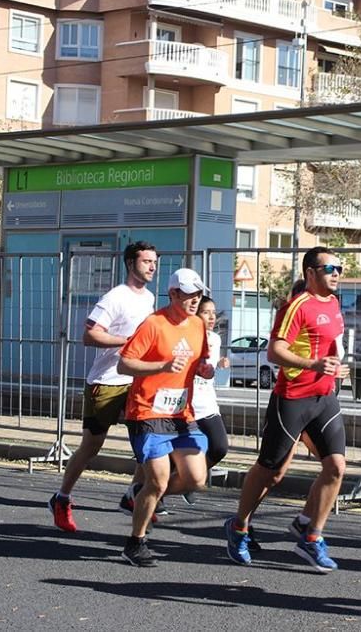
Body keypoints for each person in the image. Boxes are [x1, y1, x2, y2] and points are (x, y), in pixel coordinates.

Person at [225, 246, 347, 572]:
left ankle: (311, 537)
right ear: (311, 273)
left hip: (325, 398)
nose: (337, 273)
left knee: (336, 467)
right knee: (272, 470)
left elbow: (330, 346)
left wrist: (335, 368)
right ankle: (238, 527)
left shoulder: (334, 303)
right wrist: (314, 364)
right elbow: (274, 352)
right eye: (330, 268)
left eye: (340, 267)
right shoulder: (298, 306)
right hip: (292, 398)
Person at [48, 242, 158, 533]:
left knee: (148, 443)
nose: (152, 267)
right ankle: (61, 498)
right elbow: (90, 335)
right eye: (146, 261)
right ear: (130, 264)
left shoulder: (149, 297)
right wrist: (128, 341)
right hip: (107, 381)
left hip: (135, 381)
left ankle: (133, 495)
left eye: (154, 262)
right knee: (91, 446)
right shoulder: (115, 297)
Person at [117, 268, 213, 567]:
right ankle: (136, 542)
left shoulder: (198, 325)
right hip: (147, 411)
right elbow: (124, 365)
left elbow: (198, 362)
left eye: (198, 294)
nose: (194, 300)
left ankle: (139, 495)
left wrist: (203, 370)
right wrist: (162, 366)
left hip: (181, 413)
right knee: (157, 481)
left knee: (196, 479)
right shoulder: (153, 324)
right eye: (188, 294)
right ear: (173, 294)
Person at [186, 295, 231, 504]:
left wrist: (220, 363)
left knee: (219, 446)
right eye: (206, 312)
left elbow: (210, 368)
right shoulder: (185, 336)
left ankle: (187, 481)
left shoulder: (215, 338)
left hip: (207, 403)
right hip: (185, 403)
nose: (211, 317)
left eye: (213, 313)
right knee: (173, 453)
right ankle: (148, 493)